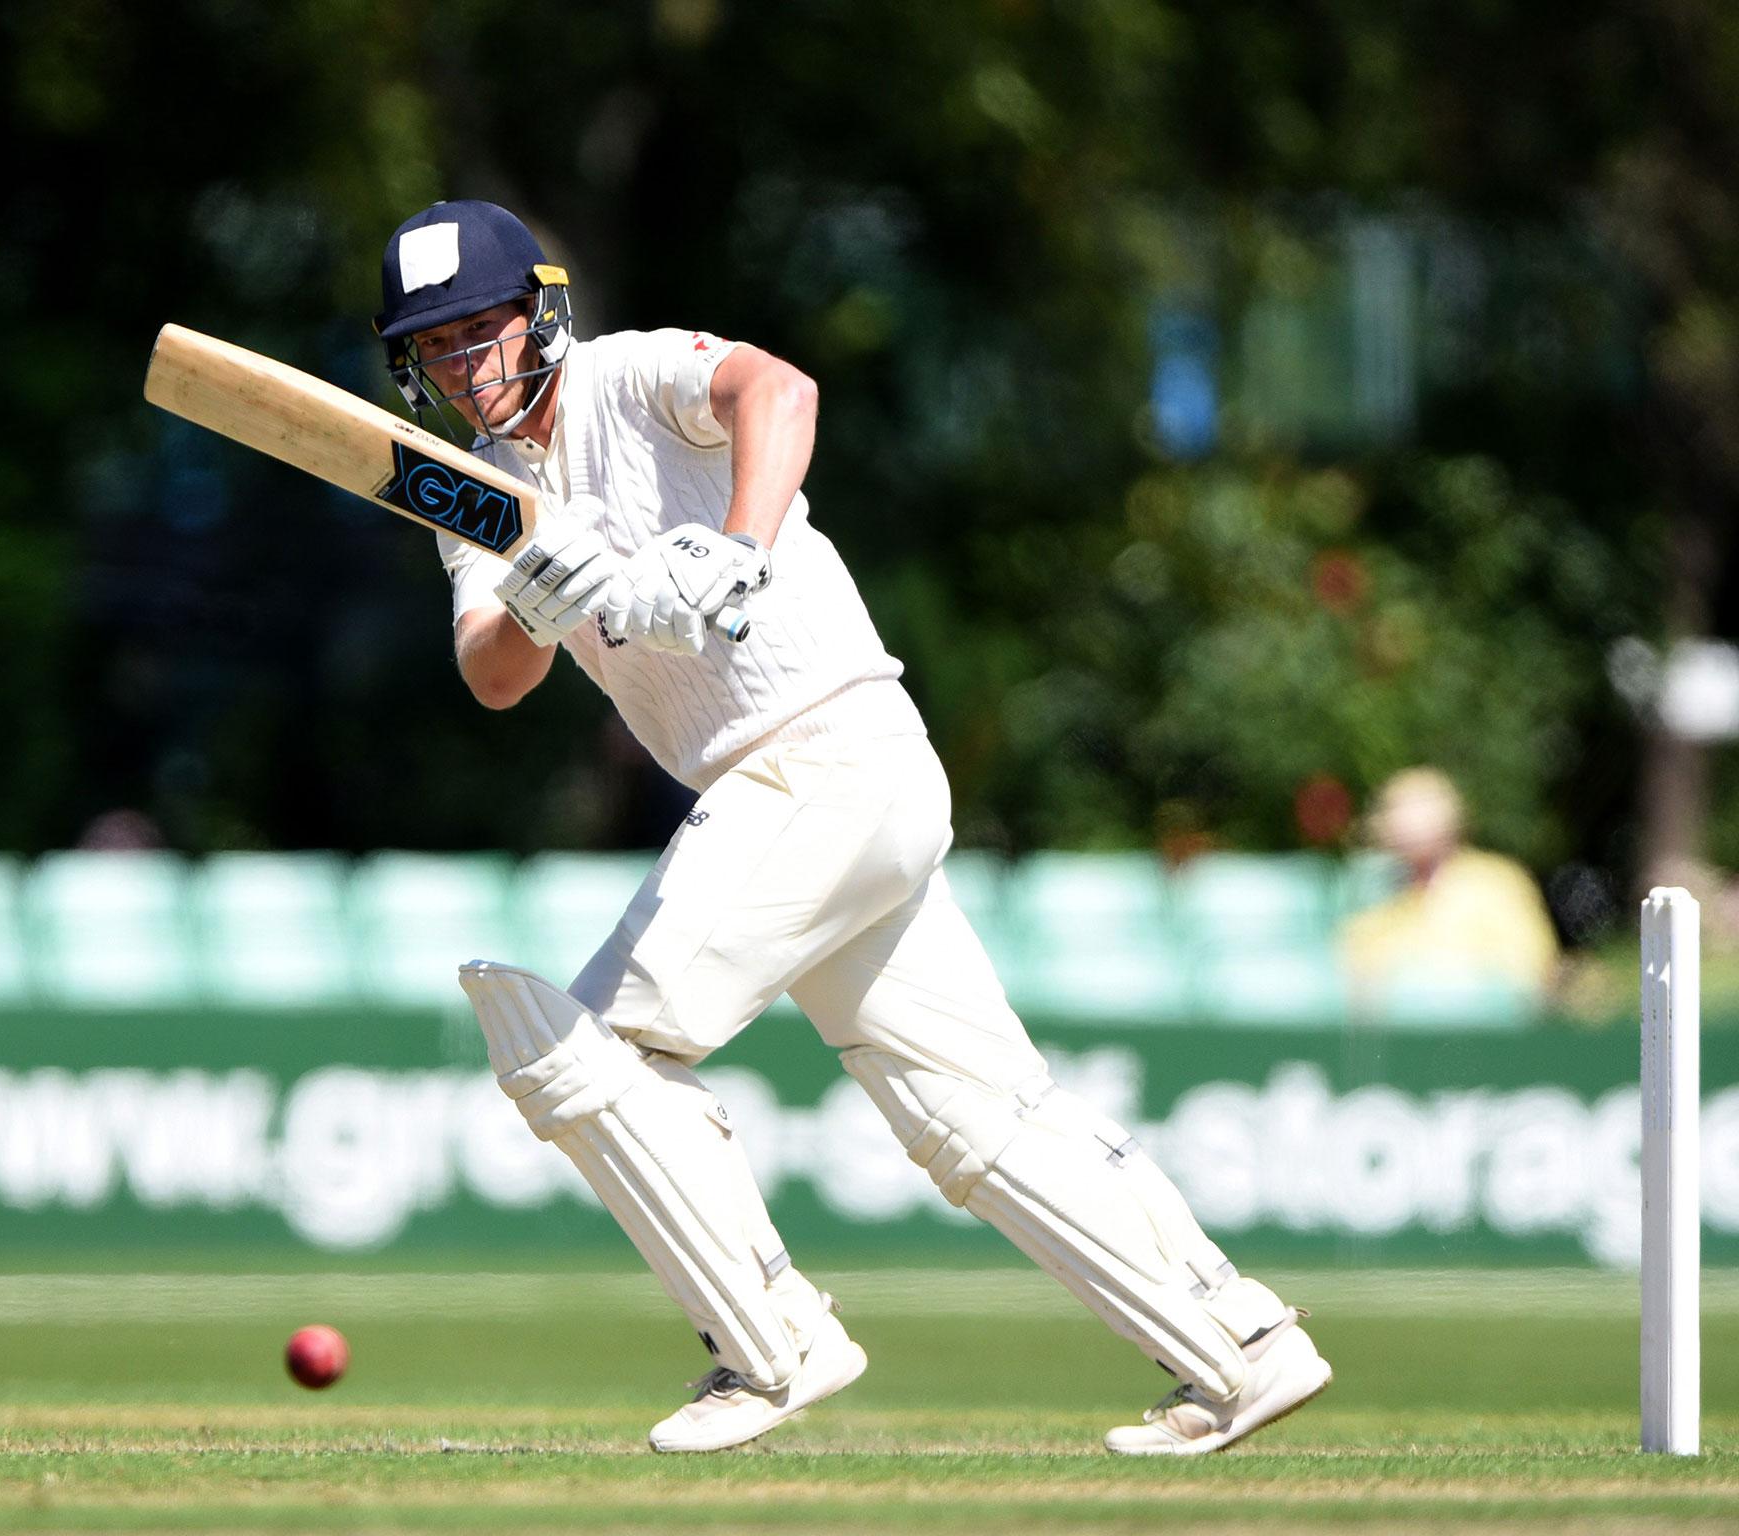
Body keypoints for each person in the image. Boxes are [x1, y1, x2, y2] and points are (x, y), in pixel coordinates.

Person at [375, 198, 1331, 1455]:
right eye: (433, 351)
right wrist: (539, 603)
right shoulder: (474, 490)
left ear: (538, 317)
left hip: (824, 753)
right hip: (795, 801)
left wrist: (733, 550)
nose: (461, 369)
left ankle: (772, 1346)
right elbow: (491, 675)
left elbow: (780, 389)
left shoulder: (627, 375)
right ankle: (1237, 1346)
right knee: (971, 1115)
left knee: (590, 1051)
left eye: (477, 334)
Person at [1343, 767, 1560, 1008]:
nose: (1408, 822)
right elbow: (1353, 976)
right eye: (1396, 810)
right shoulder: (1374, 892)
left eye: (1420, 808)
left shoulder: (1495, 883)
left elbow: (1534, 970)